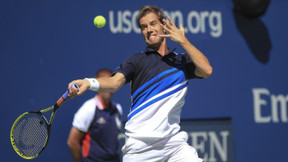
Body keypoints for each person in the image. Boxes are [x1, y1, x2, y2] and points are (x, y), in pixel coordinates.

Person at [68, 5, 212, 162]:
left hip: (173, 144)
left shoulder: (181, 62)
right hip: (140, 148)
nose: (149, 30)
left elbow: (207, 70)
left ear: (163, 24)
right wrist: (89, 82)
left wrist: (183, 41)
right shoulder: (136, 60)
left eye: (153, 24)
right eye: (144, 27)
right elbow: (114, 83)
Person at [67, 69, 123, 162]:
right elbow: (72, 142)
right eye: (103, 83)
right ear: (97, 86)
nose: (106, 87)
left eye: (108, 82)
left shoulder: (118, 108)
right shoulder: (89, 108)